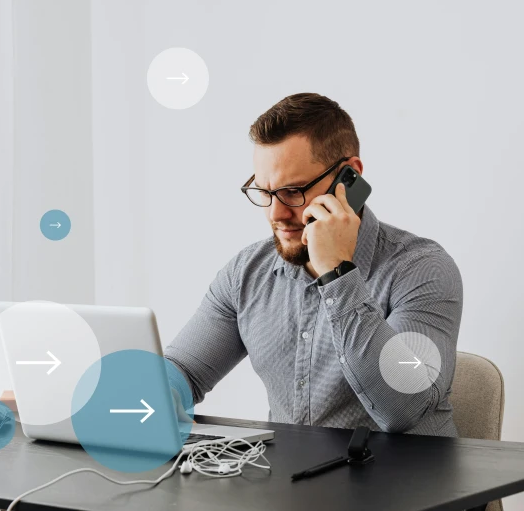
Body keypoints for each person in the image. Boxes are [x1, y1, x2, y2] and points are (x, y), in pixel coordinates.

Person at [164, 93, 462, 437]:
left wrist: (337, 272)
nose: (275, 214)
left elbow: (405, 408)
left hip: (412, 487)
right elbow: (183, 371)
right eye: (264, 192)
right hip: (294, 486)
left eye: (292, 191)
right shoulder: (246, 273)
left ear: (348, 177)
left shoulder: (422, 268)